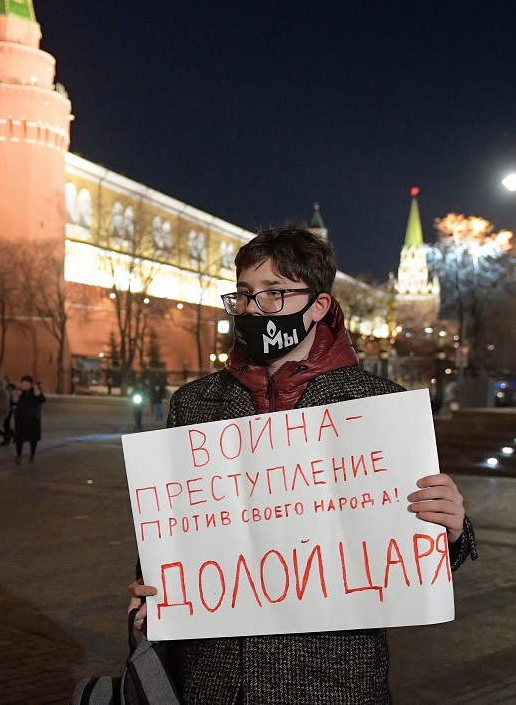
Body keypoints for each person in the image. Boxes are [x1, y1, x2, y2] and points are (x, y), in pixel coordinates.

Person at [127, 225, 477, 704]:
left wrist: (453, 528)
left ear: (319, 305)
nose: (254, 309)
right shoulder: (195, 404)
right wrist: (152, 587)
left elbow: (412, 550)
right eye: (246, 295)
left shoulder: (377, 405)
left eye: (274, 294)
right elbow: (178, 528)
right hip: (216, 678)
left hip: (333, 678)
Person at [11, 376, 45, 464]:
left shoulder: (35, 392)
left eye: (27, 383)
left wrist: (37, 391)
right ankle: (18, 455)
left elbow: (42, 400)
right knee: (19, 439)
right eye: (24, 383)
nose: (25, 385)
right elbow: (13, 402)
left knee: (33, 439)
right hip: (21, 420)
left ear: (30, 384)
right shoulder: (19, 392)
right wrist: (15, 396)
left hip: (33, 420)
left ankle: (32, 455)